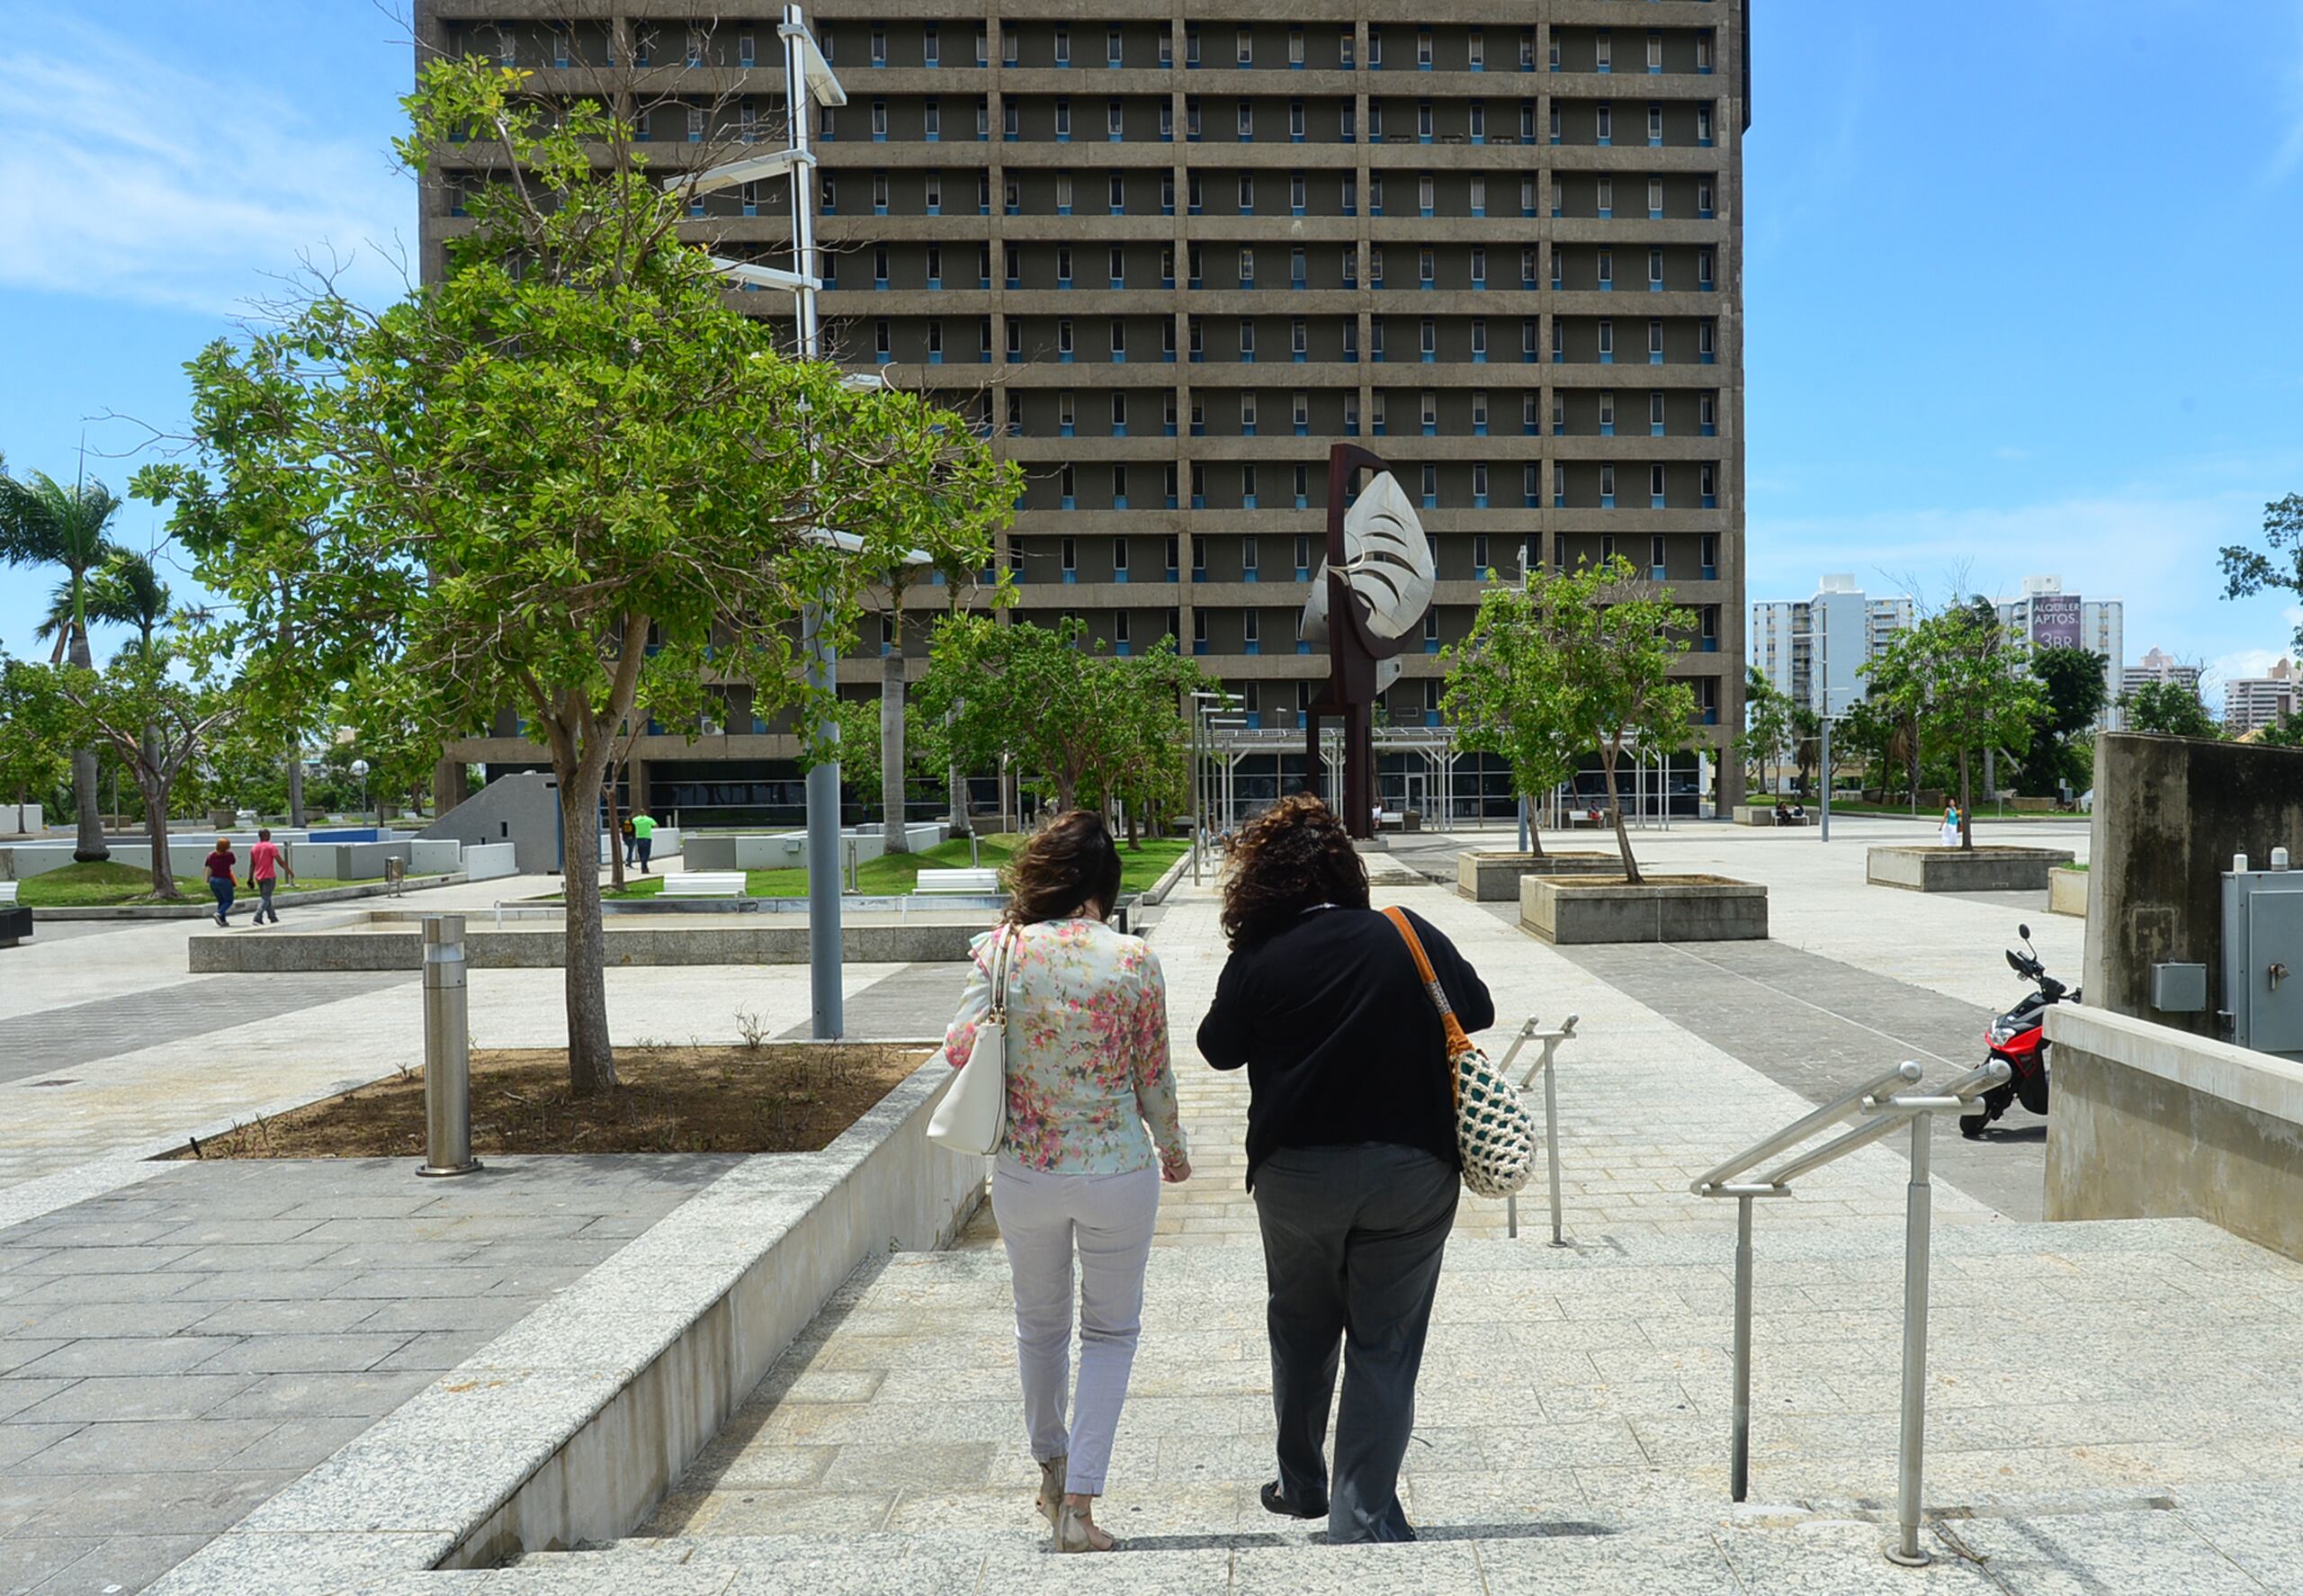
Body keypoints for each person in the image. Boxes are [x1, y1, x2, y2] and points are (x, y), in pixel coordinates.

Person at [1196, 794, 1493, 1544]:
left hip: (1297, 1177)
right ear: (1347, 870)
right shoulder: (1403, 931)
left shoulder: (1260, 955)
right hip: (1411, 1171)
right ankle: (1361, 1515)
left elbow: (1217, 1048)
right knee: (1384, 1341)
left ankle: (1300, 1484)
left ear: (1261, 881)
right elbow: (1479, 1009)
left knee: (1299, 1326)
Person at [941, 809, 1189, 1555]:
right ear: (1101, 891)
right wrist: (1174, 1152)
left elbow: (957, 1050)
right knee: (1111, 1334)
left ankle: (1049, 1471)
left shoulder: (1002, 951)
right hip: (1117, 1171)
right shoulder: (1133, 960)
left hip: (1026, 1170)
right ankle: (1080, 1506)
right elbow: (1154, 1077)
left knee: (1038, 1326)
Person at [246, 827, 295, 925]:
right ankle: (257, 917)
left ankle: (272, 917)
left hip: (259, 876)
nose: (270, 836)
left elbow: (252, 865)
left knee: (266, 897)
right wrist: (289, 871)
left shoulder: (254, 848)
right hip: (269, 876)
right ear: (265, 835)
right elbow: (280, 862)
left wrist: (250, 878)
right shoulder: (271, 847)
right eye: (268, 834)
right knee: (266, 897)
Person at [202, 837, 238, 928]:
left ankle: (222, 921)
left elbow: (207, 865)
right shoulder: (229, 855)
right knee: (229, 900)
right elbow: (233, 862)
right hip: (224, 880)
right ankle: (218, 913)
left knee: (221, 901)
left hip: (213, 880)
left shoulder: (211, 855)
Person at [629, 809, 656, 873]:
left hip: (639, 838)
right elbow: (655, 825)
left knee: (641, 853)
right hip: (647, 838)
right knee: (646, 853)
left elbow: (632, 823)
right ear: (645, 813)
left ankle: (644, 867)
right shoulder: (649, 819)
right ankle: (643, 867)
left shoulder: (635, 820)